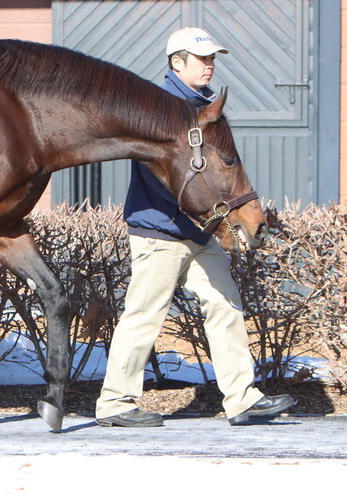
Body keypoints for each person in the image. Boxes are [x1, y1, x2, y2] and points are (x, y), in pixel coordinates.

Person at [94, 27, 295, 427]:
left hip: (202, 233)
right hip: (159, 230)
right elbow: (161, 173)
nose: (209, 65)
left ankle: (241, 398)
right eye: (200, 58)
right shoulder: (157, 107)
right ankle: (116, 403)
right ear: (176, 63)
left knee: (225, 305)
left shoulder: (208, 109)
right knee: (144, 315)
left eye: (212, 58)